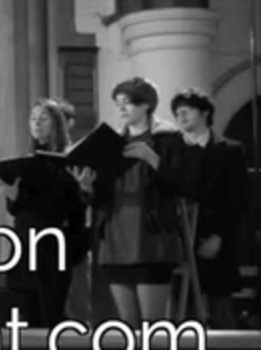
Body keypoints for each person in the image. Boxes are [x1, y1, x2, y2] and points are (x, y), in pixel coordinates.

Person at [72, 77, 193, 325]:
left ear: (146, 104)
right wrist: (87, 188)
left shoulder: (168, 139)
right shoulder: (112, 143)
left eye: (127, 102)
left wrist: (153, 159)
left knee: (153, 326)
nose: (121, 108)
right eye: (118, 103)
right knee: (128, 325)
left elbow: (184, 185)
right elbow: (100, 197)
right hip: (116, 239)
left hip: (152, 239)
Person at [0, 98, 88, 327]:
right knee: (28, 318)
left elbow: (73, 207)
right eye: (32, 118)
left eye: (43, 118)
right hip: (24, 244)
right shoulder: (25, 160)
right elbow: (17, 210)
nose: (36, 123)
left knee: (51, 316)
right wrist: (11, 195)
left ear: (57, 123)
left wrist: (84, 189)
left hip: (54, 245)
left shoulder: (70, 160)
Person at [171, 87, 249, 328]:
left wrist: (219, 236)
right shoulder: (172, 150)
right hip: (180, 239)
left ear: (204, 112)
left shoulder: (230, 150)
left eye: (187, 110)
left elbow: (237, 199)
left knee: (221, 307)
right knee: (184, 312)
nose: (181, 116)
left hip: (217, 238)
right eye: (177, 112)